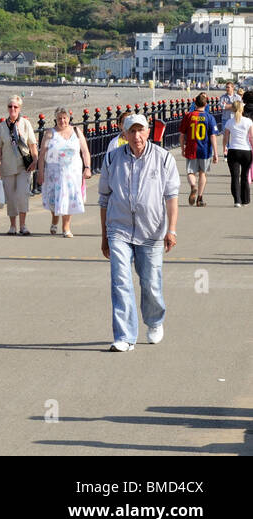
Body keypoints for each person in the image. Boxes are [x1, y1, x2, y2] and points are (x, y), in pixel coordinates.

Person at [98, 114, 179, 352]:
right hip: (119, 229)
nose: (136, 137)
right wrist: (104, 235)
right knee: (120, 281)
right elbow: (104, 198)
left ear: (147, 131)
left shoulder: (163, 159)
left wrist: (171, 230)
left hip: (151, 231)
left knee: (151, 283)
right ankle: (125, 336)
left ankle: (154, 321)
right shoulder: (113, 158)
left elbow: (171, 197)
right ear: (124, 135)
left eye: (140, 131)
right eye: (131, 132)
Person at [36, 108, 92, 237]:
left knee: (69, 198)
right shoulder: (50, 133)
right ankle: (55, 219)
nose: (62, 121)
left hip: (72, 173)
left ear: (69, 118)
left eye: (64, 117)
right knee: (53, 201)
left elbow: (85, 151)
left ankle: (66, 227)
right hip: (54, 174)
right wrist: (40, 173)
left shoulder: (76, 132)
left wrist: (87, 167)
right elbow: (42, 155)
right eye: (59, 118)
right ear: (56, 119)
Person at [0, 95, 38, 235]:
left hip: (24, 166)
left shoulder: (25, 124)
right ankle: (13, 225)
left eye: (15, 107)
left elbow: (32, 144)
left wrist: (35, 160)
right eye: (10, 106)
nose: (12, 109)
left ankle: (23, 225)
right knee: (11, 197)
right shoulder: (2, 126)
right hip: (7, 166)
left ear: (19, 108)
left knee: (22, 194)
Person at [180, 93, 217, 207]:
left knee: (191, 172)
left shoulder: (189, 116)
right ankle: (200, 198)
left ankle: (193, 186)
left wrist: (182, 148)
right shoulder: (209, 117)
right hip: (205, 149)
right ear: (206, 104)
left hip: (191, 148)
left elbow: (182, 134)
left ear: (195, 103)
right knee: (202, 174)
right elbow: (213, 136)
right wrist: (216, 153)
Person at [222, 100, 253, 206]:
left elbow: (225, 138)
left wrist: (224, 148)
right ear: (242, 109)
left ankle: (237, 201)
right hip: (246, 151)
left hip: (233, 151)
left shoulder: (229, 122)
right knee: (244, 176)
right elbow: (251, 137)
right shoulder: (248, 121)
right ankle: (245, 200)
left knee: (234, 177)